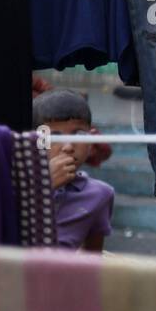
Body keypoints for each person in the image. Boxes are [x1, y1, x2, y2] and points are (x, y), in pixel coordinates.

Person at [32, 90, 115, 252]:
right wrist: (44, 185)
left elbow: (91, 260)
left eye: (78, 134)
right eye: (54, 136)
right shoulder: (12, 183)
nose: (68, 146)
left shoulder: (100, 195)